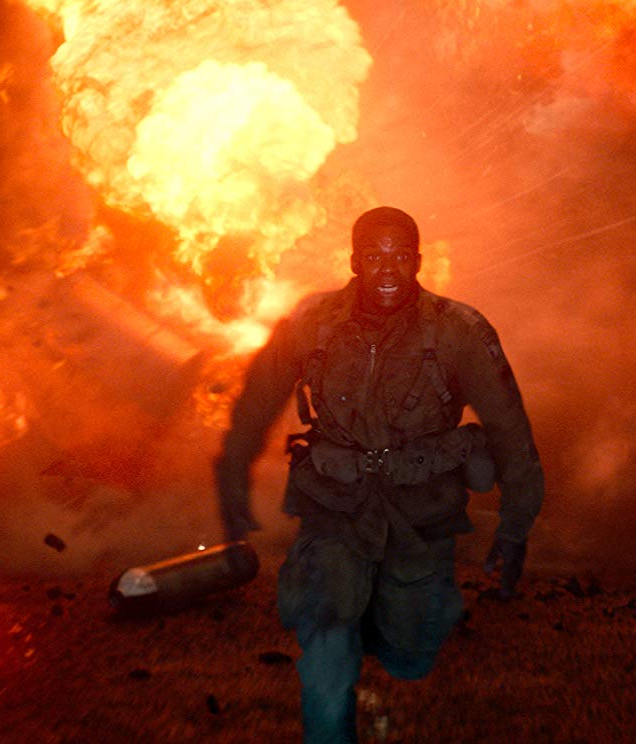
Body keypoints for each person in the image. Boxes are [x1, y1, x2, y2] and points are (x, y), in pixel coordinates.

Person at [215, 206, 545, 742]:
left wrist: (516, 524)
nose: (387, 269)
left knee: (409, 654)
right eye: (374, 256)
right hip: (334, 504)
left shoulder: (458, 330)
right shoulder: (314, 321)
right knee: (326, 632)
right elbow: (258, 401)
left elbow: (509, 427)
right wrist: (232, 476)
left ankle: (391, 621)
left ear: (418, 261)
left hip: (420, 510)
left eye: (399, 256)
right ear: (354, 261)